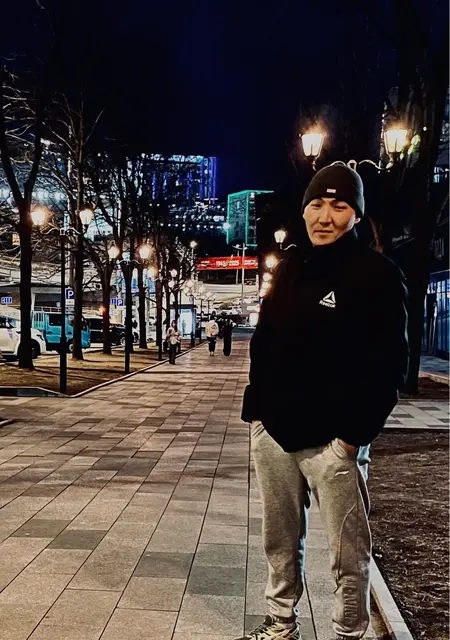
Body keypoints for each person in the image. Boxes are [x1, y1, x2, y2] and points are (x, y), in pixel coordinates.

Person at [239, 164, 409, 640]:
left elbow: (391, 365)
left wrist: (353, 439)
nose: (325, 216)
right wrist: (257, 413)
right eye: (316, 204)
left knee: (347, 551)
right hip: (274, 433)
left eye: (339, 206)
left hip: (335, 442)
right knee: (278, 540)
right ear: (304, 210)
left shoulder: (377, 275)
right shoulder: (290, 269)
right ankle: (280, 624)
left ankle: (348, 631)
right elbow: (264, 343)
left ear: (356, 215)